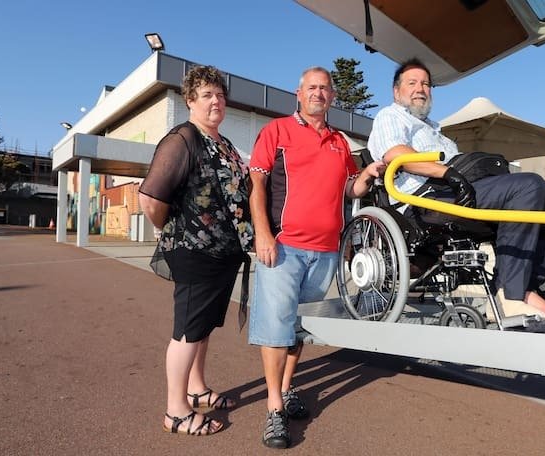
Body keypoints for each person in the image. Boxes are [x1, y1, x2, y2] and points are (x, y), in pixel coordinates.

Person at [367, 58, 545, 321]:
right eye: (412, 83)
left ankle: (525, 288)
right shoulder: (390, 116)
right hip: (426, 199)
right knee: (528, 185)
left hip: (454, 191)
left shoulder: (436, 129)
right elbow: (396, 154)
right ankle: (511, 295)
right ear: (397, 91)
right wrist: (448, 173)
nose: (421, 88)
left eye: (426, 84)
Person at [247, 66, 384, 449]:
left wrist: (369, 173)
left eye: (324, 89)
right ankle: (274, 409)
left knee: (296, 328)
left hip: (325, 251)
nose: (318, 94)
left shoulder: (340, 142)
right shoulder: (277, 132)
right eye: (312, 88)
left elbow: (350, 189)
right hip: (284, 247)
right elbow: (256, 183)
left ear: (332, 97)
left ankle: (287, 389)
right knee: (276, 328)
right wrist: (262, 234)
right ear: (299, 93)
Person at [139, 65, 253, 436]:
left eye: (220, 95)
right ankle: (176, 410)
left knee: (202, 327)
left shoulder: (223, 143)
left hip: (221, 253)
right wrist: (173, 229)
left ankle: (196, 388)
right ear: (189, 100)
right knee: (187, 330)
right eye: (207, 95)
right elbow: (150, 197)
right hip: (195, 252)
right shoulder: (183, 138)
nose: (216, 101)